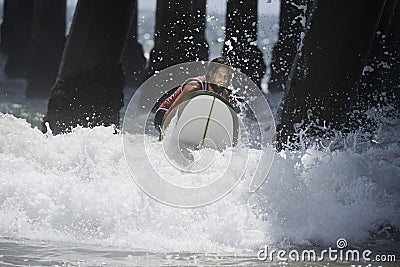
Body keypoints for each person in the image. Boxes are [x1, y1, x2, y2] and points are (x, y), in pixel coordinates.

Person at [154, 57, 235, 137]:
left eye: (225, 77)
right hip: (164, 115)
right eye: (219, 75)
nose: (222, 80)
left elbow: (225, 119)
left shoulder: (224, 93)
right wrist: (163, 136)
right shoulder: (194, 87)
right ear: (210, 73)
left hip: (190, 118)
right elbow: (172, 110)